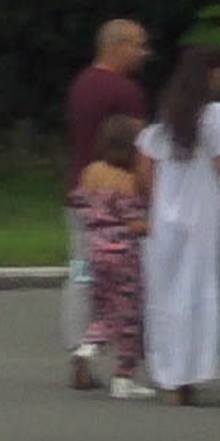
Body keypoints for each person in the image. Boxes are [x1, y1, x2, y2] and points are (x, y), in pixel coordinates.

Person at [135, 47, 220, 405]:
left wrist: (160, 206)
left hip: (167, 223)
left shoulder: (167, 118)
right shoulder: (217, 115)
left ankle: (176, 380)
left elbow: (145, 171)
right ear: (211, 74)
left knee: (173, 298)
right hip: (209, 218)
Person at [63, 19, 153, 388]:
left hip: (82, 195)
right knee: (126, 289)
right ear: (116, 45)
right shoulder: (126, 91)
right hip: (121, 201)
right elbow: (142, 149)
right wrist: (147, 194)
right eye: (138, 45)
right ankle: (127, 363)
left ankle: (79, 353)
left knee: (82, 274)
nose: (144, 54)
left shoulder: (81, 84)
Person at [69, 113, 153, 397]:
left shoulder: (91, 172)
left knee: (104, 310)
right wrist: (152, 226)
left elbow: (78, 202)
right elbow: (134, 223)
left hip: (94, 252)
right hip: (124, 256)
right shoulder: (127, 181)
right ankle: (124, 378)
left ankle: (87, 346)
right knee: (129, 317)